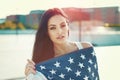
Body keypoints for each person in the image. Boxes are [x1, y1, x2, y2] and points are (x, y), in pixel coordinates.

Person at [25, 8, 99, 80]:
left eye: (63, 25)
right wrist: (30, 77)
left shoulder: (86, 48)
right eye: (53, 28)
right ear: (47, 32)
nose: (60, 31)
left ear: (68, 26)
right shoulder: (46, 65)